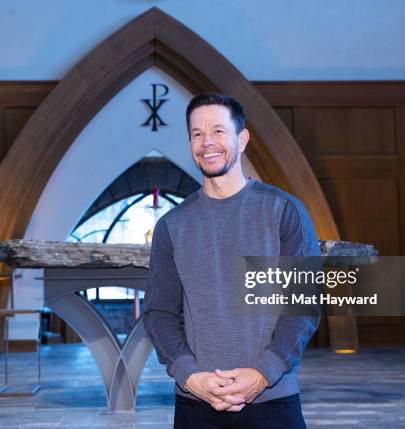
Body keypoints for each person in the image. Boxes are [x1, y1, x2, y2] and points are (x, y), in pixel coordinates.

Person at [143, 93, 320, 429]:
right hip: (196, 401)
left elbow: (302, 305)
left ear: (242, 138)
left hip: (272, 398)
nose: (207, 143)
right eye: (197, 134)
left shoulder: (285, 211)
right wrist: (190, 376)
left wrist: (262, 373)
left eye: (218, 131)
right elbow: (159, 313)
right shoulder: (171, 225)